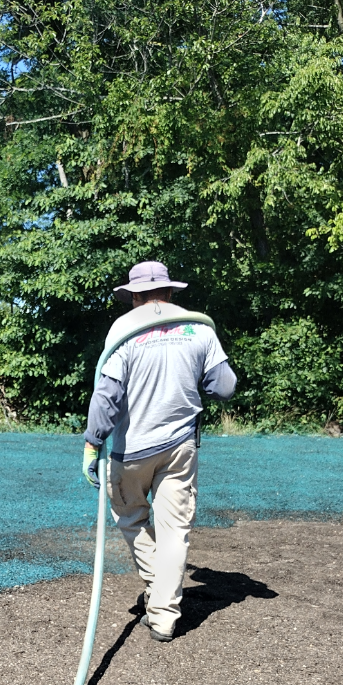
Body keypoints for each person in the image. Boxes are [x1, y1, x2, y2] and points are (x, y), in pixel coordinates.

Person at [82, 260, 237, 642]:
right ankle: (165, 613)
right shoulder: (198, 327)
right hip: (180, 447)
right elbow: (225, 387)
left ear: (134, 295)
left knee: (132, 519)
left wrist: (91, 442)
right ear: (169, 291)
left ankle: (159, 595)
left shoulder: (123, 329)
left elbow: (108, 395)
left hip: (130, 451)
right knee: (174, 532)